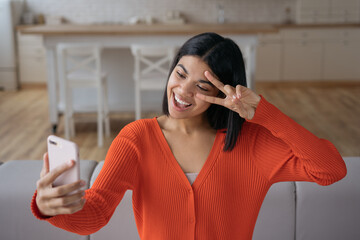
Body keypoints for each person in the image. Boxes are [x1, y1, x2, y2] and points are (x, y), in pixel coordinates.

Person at [31, 32, 347, 239]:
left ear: (223, 92)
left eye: (202, 86)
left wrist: (264, 114)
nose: (182, 91)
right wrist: (51, 207)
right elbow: (95, 214)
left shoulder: (251, 143)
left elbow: (330, 169)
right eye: (180, 74)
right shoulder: (137, 139)